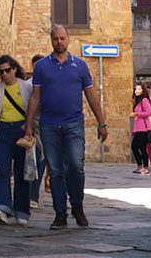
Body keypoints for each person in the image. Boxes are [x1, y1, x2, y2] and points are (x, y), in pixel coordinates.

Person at [24, 24, 108, 230]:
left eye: (62, 38)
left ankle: (77, 205)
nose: (59, 42)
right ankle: (60, 213)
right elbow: (35, 97)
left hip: (73, 124)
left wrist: (102, 122)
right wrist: (28, 126)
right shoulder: (42, 66)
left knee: (75, 166)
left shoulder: (79, 65)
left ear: (68, 39)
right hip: (49, 125)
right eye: (55, 39)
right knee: (55, 170)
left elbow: (91, 95)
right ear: (51, 40)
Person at [0, 55, 33, 225]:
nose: (4, 74)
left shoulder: (26, 87)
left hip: (20, 130)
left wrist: (31, 131)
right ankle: (3, 207)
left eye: (7, 70)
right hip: (2, 132)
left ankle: (22, 211)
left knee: (21, 172)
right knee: (3, 170)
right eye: (1, 71)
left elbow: (34, 110)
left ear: (14, 69)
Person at [28, 53, 47, 207]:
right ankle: (30, 195)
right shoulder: (28, 85)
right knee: (32, 162)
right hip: (32, 128)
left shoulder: (50, 84)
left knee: (42, 162)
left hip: (47, 128)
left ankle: (34, 195)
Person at [130, 82, 151, 173]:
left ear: (143, 90)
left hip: (143, 128)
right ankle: (140, 166)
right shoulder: (137, 101)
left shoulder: (144, 100)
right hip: (138, 128)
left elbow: (148, 112)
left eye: (139, 89)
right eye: (136, 89)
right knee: (134, 147)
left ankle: (145, 167)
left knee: (142, 148)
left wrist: (137, 114)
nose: (137, 91)